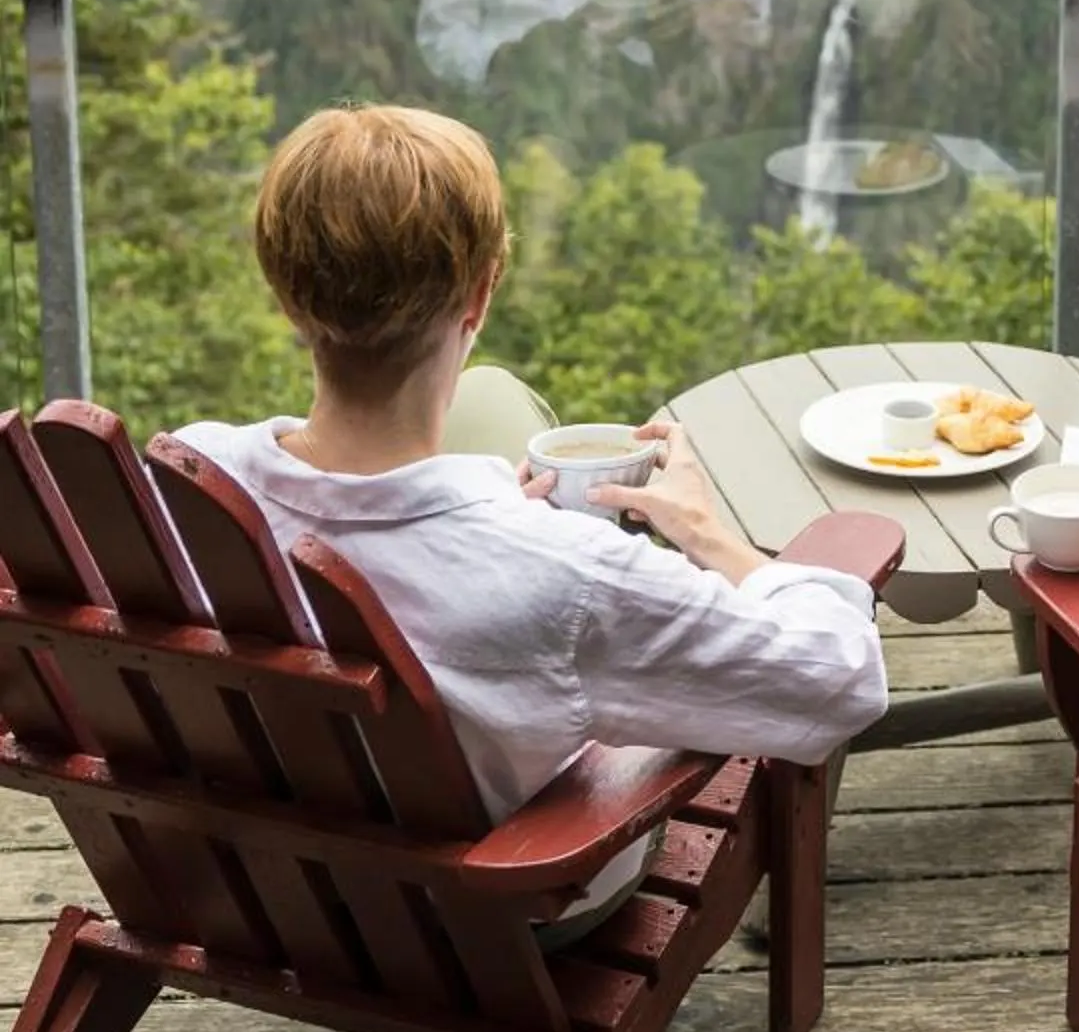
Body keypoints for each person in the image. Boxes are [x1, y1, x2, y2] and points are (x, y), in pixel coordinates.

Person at [177, 103, 889, 924]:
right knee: (510, 425)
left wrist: (485, 530)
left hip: (281, 885)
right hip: (500, 916)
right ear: (480, 294)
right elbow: (842, 681)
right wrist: (711, 537)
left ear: (283, 292)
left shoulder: (186, 479)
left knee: (489, 404)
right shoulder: (567, 573)